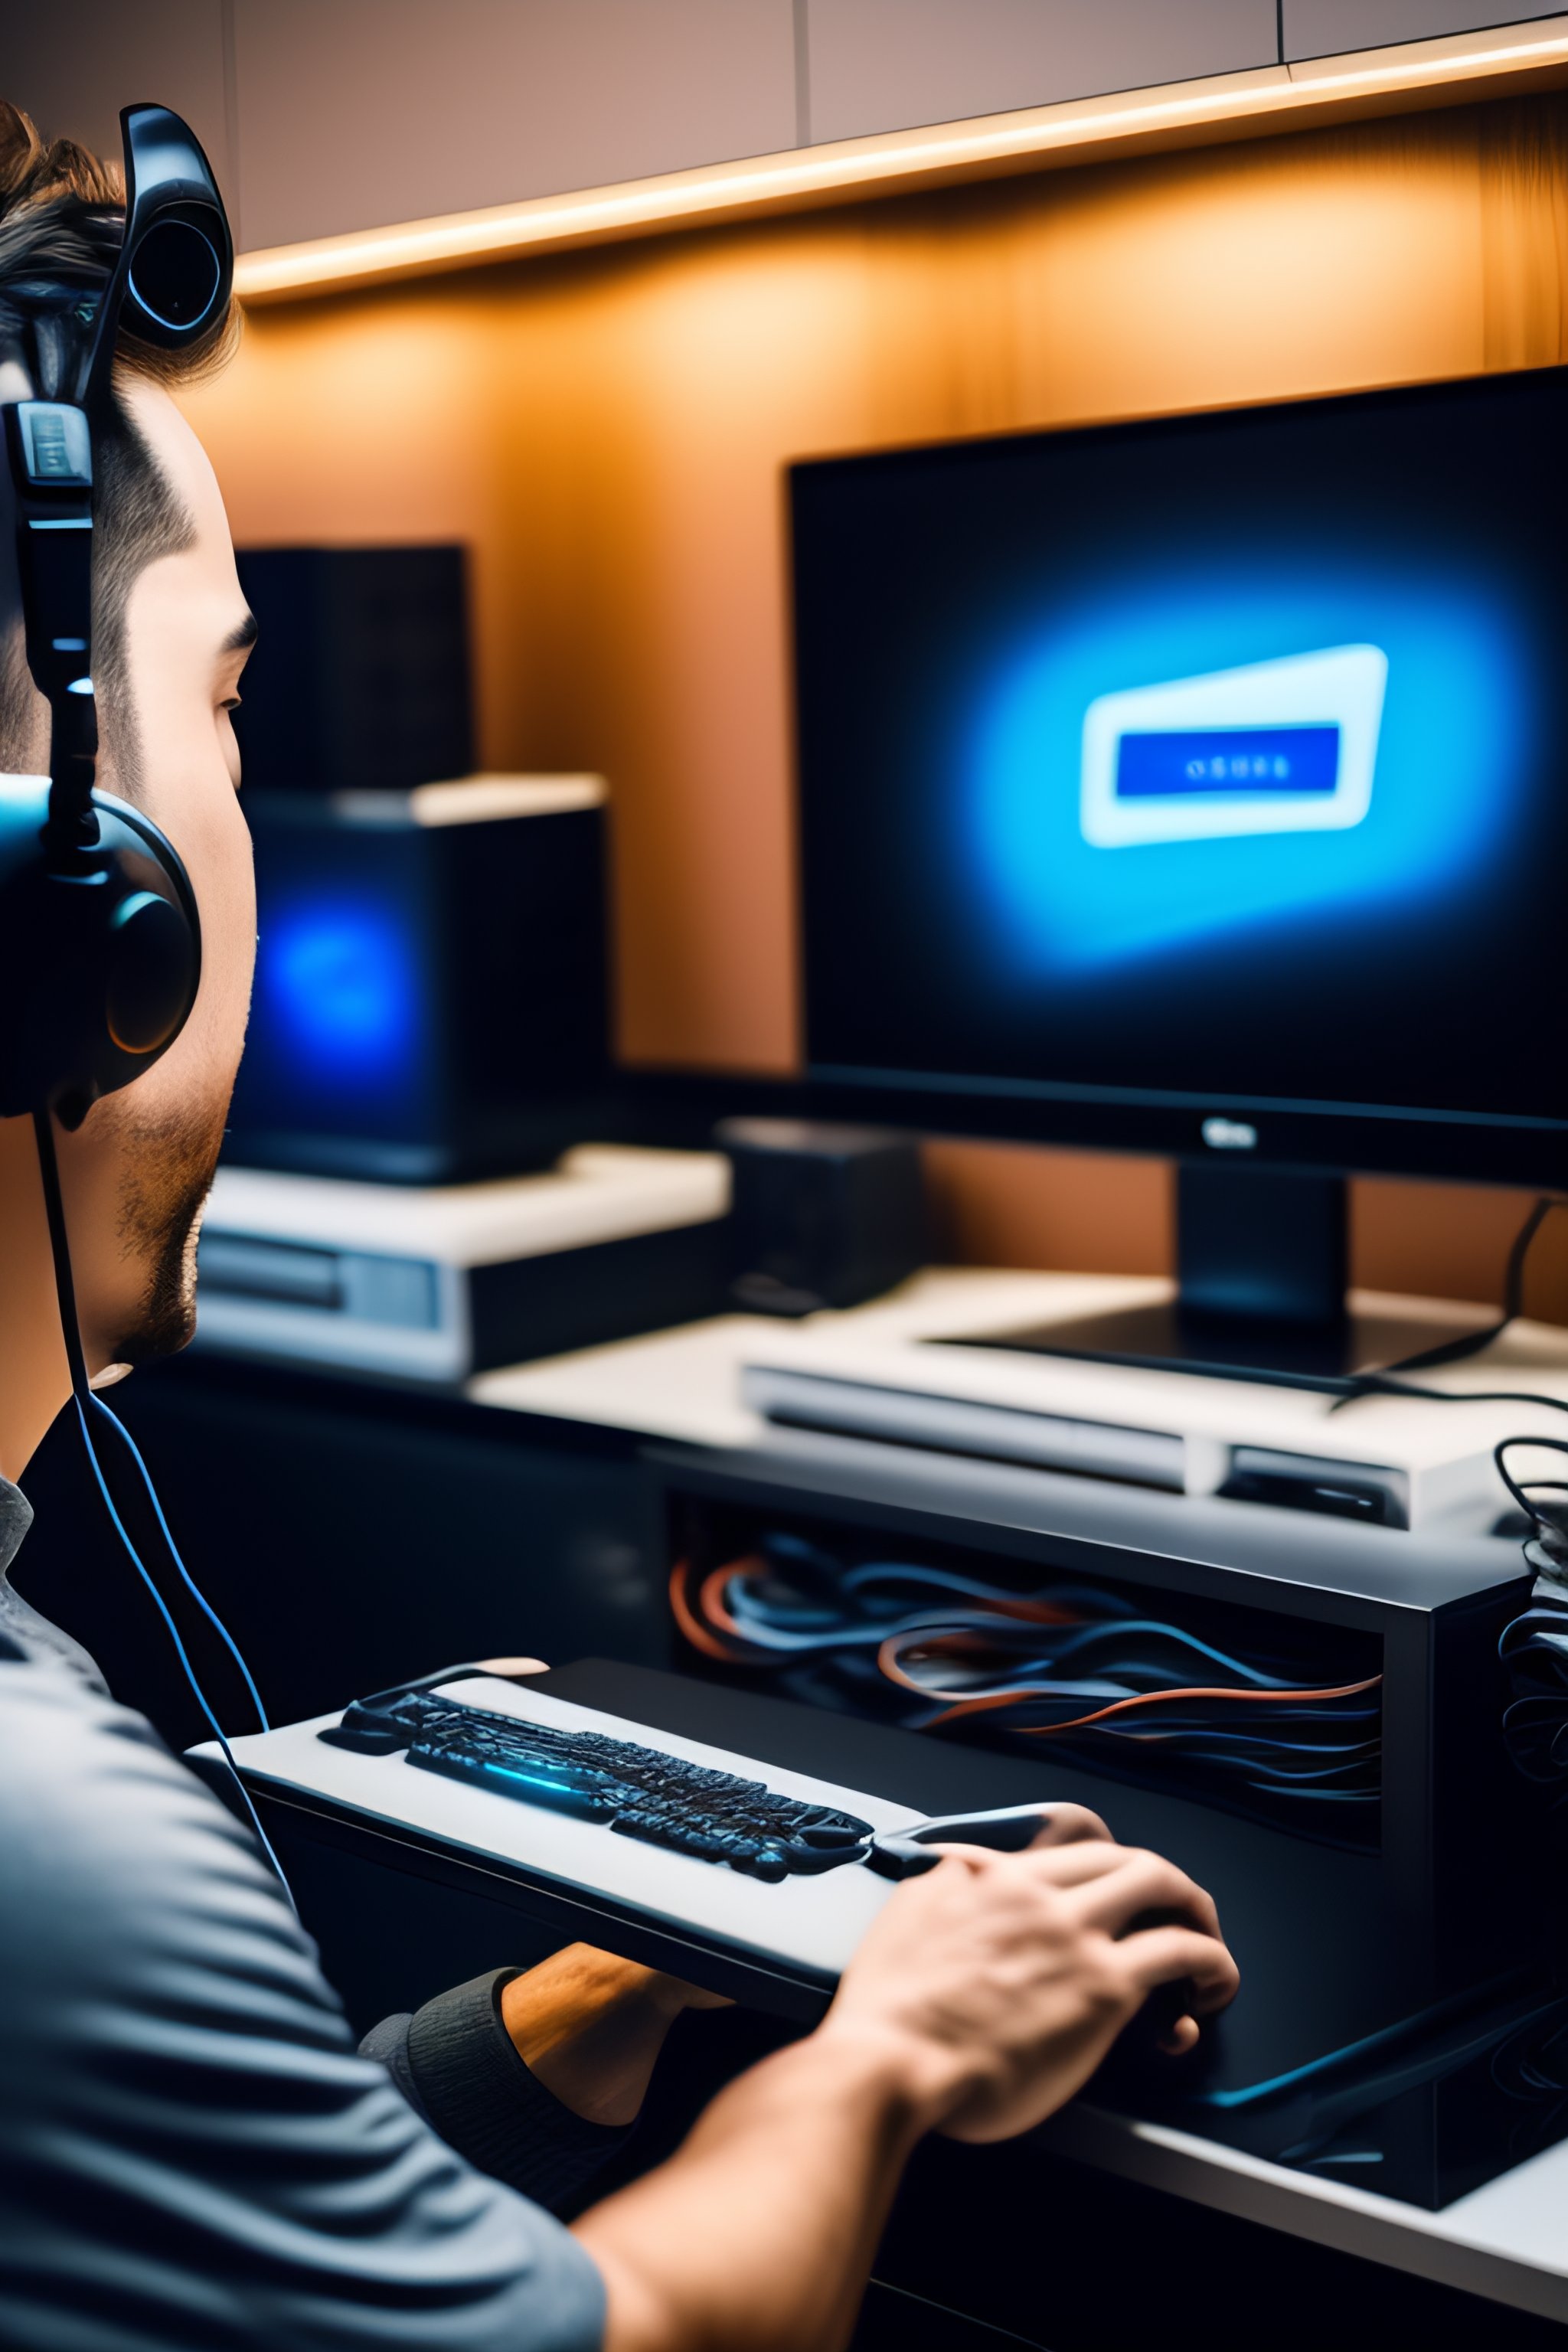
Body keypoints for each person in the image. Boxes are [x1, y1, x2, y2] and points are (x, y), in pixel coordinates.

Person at [0, 103, 1240, 2352]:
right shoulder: (46, 1840)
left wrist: (587, 1997)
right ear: (76, 886)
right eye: (231, 702)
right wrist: (888, 2051)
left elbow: (188, 2235)